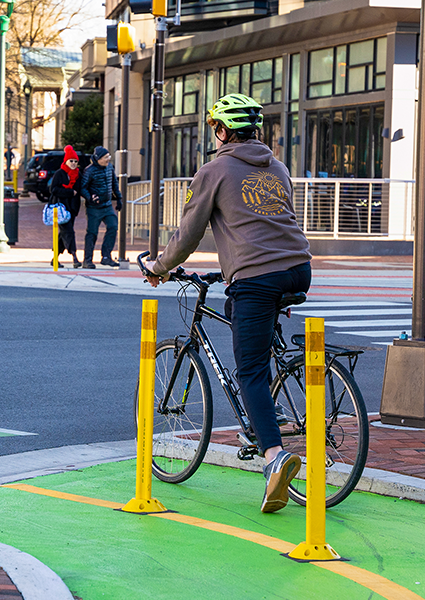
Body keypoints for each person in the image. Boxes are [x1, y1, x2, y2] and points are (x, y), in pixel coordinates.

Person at [143, 93, 311, 514]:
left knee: (249, 369)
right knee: (248, 322)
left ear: (221, 130)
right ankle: (265, 411)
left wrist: (160, 267)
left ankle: (274, 456)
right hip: (297, 268)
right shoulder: (278, 167)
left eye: (214, 127)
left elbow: (189, 233)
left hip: (256, 275)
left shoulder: (214, 170)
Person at [78, 146, 122, 268]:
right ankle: (87, 260)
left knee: (113, 227)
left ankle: (106, 256)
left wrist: (119, 198)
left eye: (109, 156)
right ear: (98, 159)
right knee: (92, 233)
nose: (108, 159)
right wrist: (90, 197)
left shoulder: (109, 168)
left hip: (107, 205)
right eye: (105, 157)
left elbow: (114, 183)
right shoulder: (89, 170)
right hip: (94, 208)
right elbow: (83, 188)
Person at [47, 145, 82, 267]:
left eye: (75, 161)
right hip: (60, 208)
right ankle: (74, 257)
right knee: (69, 232)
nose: (73, 163)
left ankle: (55, 258)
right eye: (71, 161)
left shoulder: (78, 175)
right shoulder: (60, 173)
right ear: (66, 161)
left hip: (72, 209)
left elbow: (81, 190)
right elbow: (53, 189)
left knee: (63, 234)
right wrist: (69, 192)